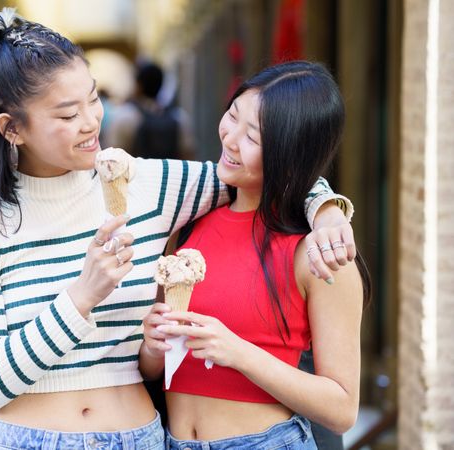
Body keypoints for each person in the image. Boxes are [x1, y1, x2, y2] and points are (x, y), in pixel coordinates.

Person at [0, 8, 355, 450]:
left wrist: (325, 208)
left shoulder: (146, 186)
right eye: (66, 115)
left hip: (138, 439)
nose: (90, 122)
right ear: (12, 128)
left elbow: (267, 171)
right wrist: (83, 296)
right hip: (24, 440)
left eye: (93, 99)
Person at [139, 61, 371, 449]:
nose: (230, 139)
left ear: (289, 153)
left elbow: (342, 408)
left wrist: (238, 352)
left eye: (253, 136)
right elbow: (159, 367)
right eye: (232, 115)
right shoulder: (189, 225)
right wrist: (150, 345)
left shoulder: (316, 254)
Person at [104, 61, 195, 160]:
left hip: (137, 175)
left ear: (139, 85)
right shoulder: (179, 117)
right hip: (170, 174)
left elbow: (112, 156)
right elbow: (189, 154)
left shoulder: (125, 117)